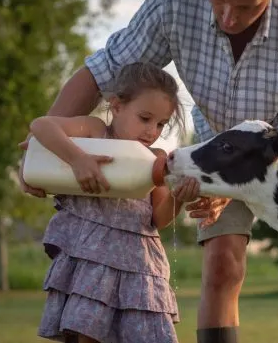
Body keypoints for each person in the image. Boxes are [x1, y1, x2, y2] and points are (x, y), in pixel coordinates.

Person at [19, 0, 278, 342]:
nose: (229, 18)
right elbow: (104, 70)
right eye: (218, 1)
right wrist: (39, 156)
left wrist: (232, 187)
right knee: (222, 265)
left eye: (247, 8)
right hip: (218, 144)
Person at [31, 62, 201, 343]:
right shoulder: (95, 133)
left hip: (139, 267)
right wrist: (78, 159)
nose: (151, 131)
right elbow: (41, 126)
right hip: (91, 260)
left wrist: (177, 198)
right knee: (87, 335)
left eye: (160, 124)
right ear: (117, 106)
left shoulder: (154, 157)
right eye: (144, 118)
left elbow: (159, 218)